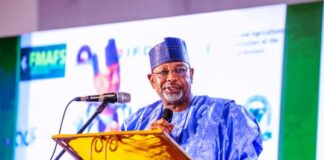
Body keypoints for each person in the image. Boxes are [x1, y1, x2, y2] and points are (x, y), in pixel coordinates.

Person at [121, 37, 263, 159]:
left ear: (191, 74)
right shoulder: (137, 123)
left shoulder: (227, 114)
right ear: (152, 81)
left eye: (180, 70)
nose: (171, 78)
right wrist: (148, 143)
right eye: (163, 72)